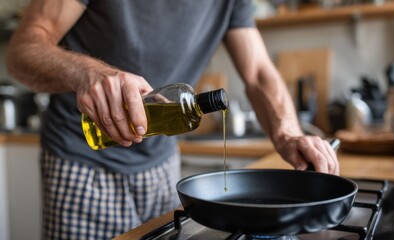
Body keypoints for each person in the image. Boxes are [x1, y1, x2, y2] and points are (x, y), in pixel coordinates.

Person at [6, 0, 339, 239]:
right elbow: (22, 50)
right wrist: (86, 72)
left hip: (162, 165)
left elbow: (257, 73)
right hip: (82, 163)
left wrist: (288, 134)